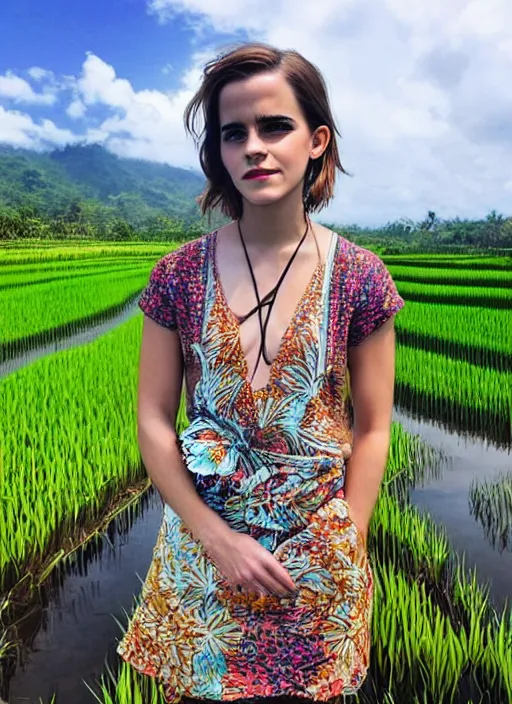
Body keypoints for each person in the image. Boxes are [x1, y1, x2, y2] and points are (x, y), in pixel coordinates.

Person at [118, 42, 405, 704]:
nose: (254, 147)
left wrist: (344, 545)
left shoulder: (361, 278)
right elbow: (154, 419)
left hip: (318, 552)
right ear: (217, 152)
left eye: (275, 126)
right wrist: (217, 540)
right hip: (204, 549)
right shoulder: (178, 277)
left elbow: (373, 428)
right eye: (233, 133)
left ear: (317, 141)